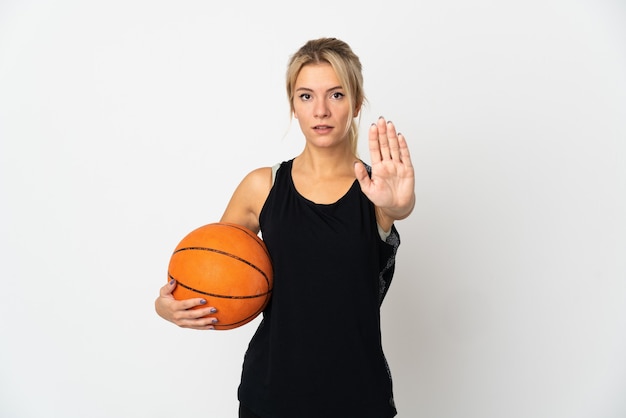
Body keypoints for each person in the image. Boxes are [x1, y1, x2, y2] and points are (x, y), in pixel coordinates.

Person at [155, 37, 415, 418]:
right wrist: (168, 307)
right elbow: (212, 277)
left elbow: (397, 206)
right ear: (293, 105)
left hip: (359, 398)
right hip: (270, 396)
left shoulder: (378, 191)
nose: (321, 110)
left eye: (337, 95)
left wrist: (398, 205)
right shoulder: (262, 187)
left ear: (357, 103)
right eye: (306, 96)